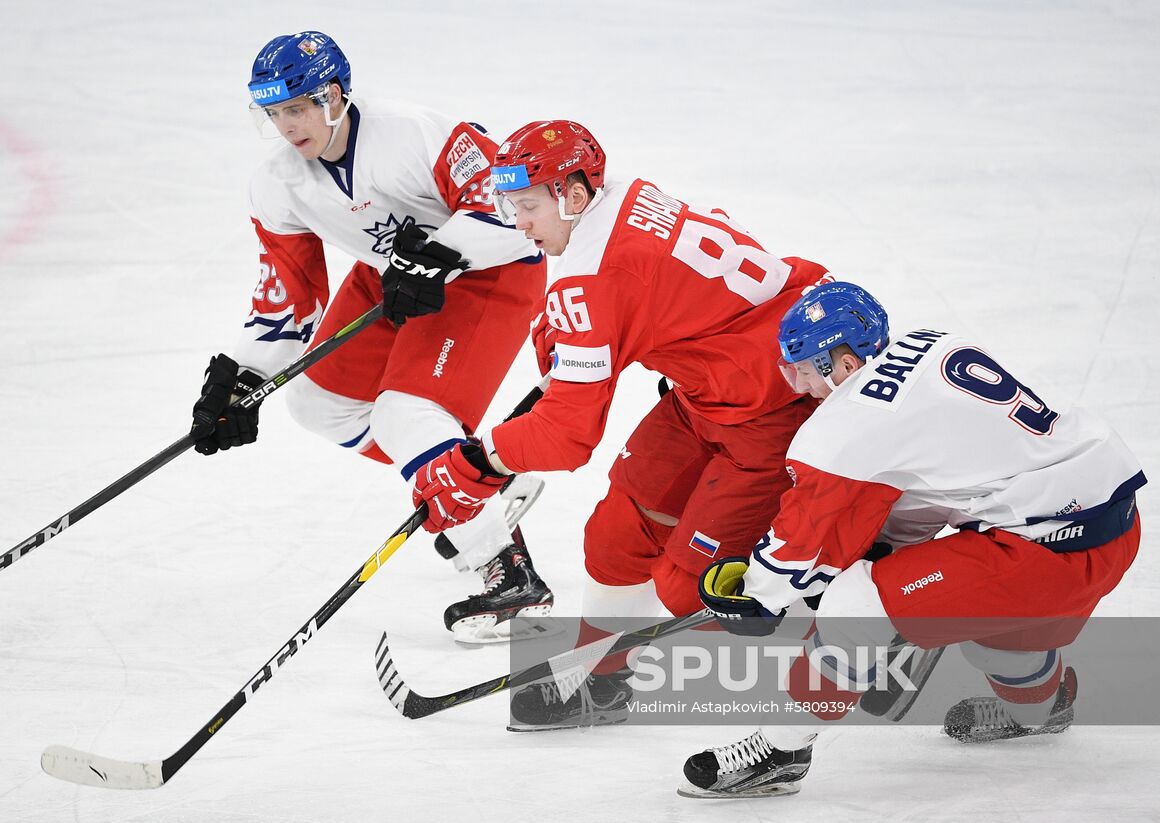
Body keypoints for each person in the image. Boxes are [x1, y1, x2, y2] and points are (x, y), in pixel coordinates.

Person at [407, 119, 835, 729]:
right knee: (614, 537)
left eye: (526, 205)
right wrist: (558, 374)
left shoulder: (595, 273)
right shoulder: (619, 196)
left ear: (574, 195)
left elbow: (568, 434)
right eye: (508, 203)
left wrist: (476, 464)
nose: (517, 222)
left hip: (779, 407)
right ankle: (603, 682)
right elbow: (638, 312)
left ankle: (835, 663)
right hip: (708, 393)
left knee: (694, 587)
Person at [680, 281, 1145, 797]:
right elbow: (934, 486)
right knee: (1004, 650)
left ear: (845, 364)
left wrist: (758, 594)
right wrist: (875, 557)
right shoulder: (929, 342)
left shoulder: (846, 427)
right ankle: (1044, 707)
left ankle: (781, 750)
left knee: (855, 609)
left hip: (1039, 553)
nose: (796, 384)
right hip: (1109, 525)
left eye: (804, 369)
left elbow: (799, 540)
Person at [190, 31, 553, 642]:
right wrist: (243, 376)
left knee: (405, 415)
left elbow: (515, 214)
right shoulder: (277, 184)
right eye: (274, 113)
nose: (287, 127)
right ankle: (474, 477)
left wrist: (444, 252)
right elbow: (288, 306)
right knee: (316, 402)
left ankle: (507, 571)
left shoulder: (415, 133)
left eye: (297, 108)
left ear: (333, 96)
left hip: (488, 273)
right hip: (392, 276)